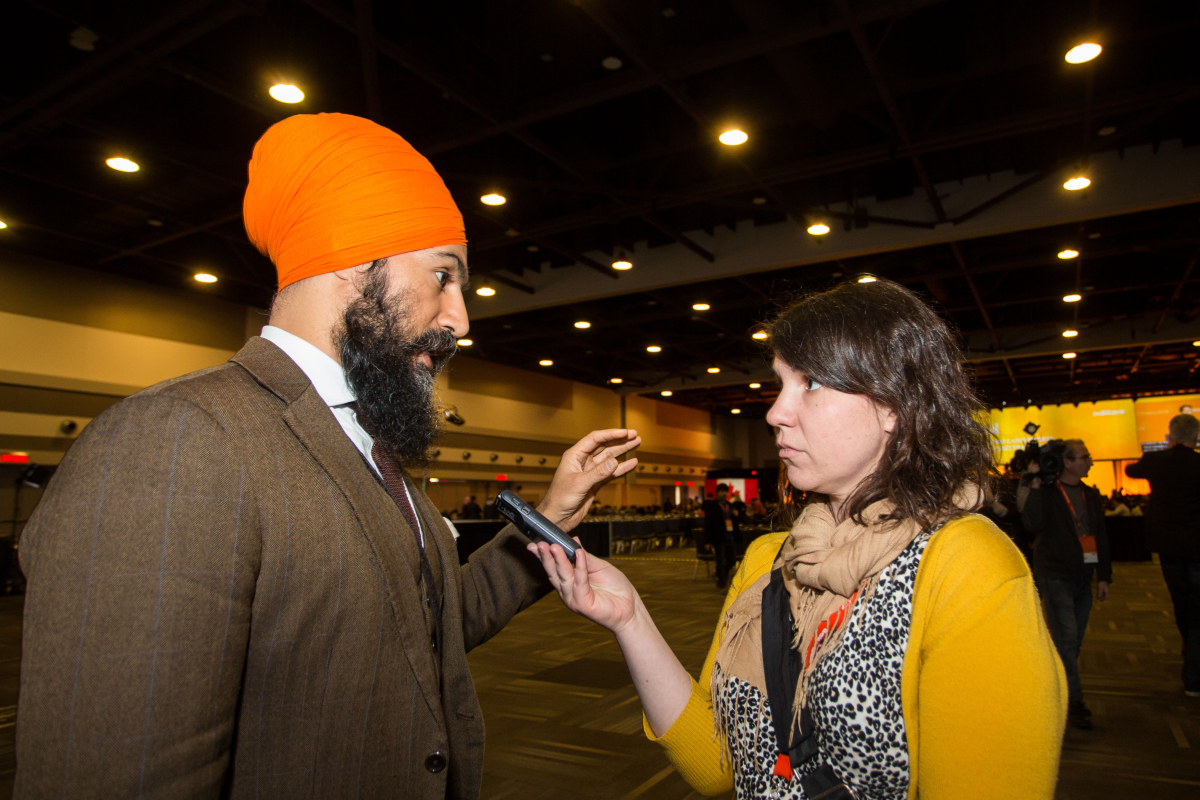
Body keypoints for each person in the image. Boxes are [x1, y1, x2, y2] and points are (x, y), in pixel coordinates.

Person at [13, 113, 640, 799]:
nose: (461, 318)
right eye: (443, 275)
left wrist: (550, 512)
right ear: (352, 257)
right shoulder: (176, 442)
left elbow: (431, 625)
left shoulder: (368, 446)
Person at [529, 279, 1066, 799]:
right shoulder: (770, 559)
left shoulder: (967, 565)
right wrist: (630, 619)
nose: (775, 412)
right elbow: (721, 764)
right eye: (781, 383)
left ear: (892, 406)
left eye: (809, 383)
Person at [1019, 439, 1111, 730]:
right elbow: (1032, 523)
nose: (1090, 462)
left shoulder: (1090, 495)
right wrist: (1032, 484)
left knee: (1071, 642)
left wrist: (1105, 575)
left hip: (1083, 577)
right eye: (1084, 457)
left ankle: (1055, 689)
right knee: (1067, 640)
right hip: (1055, 575)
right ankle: (1073, 703)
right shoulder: (1047, 492)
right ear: (1067, 462)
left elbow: (1101, 536)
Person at [1125, 414, 1200, 697]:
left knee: (1181, 603)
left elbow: (1132, 471)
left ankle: (1190, 655)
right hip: (1197, 545)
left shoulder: (1156, 461)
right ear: (1195, 437)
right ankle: (1193, 672)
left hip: (1168, 546)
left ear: (1170, 437)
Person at [703, 483, 739, 588]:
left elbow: (735, 521)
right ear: (717, 493)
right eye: (721, 491)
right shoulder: (712, 506)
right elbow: (707, 523)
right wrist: (708, 541)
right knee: (720, 561)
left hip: (730, 536)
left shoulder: (730, 505)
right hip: (718, 538)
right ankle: (722, 583)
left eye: (725, 491)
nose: (724, 493)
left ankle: (721, 575)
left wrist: (736, 515)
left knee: (732, 560)